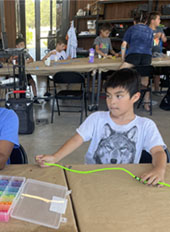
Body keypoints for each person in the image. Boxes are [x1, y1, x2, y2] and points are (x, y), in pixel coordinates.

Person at [36, 68, 167, 186]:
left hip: (126, 181)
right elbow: (76, 139)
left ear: (135, 97)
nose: (112, 102)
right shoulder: (97, 118)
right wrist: (55, 157)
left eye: (119, 96)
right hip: (93, 178)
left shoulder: (146, 125)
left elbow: (158, 152)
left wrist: (159, 170)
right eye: (109, 96)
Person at [120, 11, 154, 111]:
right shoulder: (150, 30)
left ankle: (120, 97)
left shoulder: (131, 28)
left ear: (134, 21)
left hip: (133, 55)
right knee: (145, 80)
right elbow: (151, 46)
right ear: (146, 21)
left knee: (120, 74)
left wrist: (123, 58)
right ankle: (146, 104)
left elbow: (123, 45)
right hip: (147, 56)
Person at [10, 38, 40, 104]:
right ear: (17, 46)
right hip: (17, 74)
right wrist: (13, 58)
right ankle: (14, 98)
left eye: (23, 45)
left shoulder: (25, 52)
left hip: (25, 73)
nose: (23, 46)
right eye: (21, 45)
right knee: (15, 83)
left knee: (32, 82)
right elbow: (10, 60)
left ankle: (35, 97)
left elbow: (32, 59)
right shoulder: (14, 53)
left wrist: (28, 61)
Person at [148, 11, 167, 93]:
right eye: (158, 19)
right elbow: (144, 42)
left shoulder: (160, 29)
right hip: (148, 54)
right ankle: (146, 91)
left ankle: (156, 90)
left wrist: (163, 37)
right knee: (147, 73)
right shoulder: (147, 29)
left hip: (158, 54)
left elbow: (165, 40)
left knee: (157, 73)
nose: (160, 21)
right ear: (153, 20)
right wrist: (154, 37)